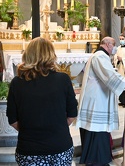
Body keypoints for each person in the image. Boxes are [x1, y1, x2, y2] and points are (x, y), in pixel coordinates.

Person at [6, 37, 77, 165]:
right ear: (51, 54)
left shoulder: (17, 82)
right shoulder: (63, 79)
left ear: (28, 54)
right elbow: (72, 114)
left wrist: (31, 130)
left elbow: (13, 120)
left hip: (29, 149)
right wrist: (56, 127)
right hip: (59, 146)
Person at [76, 37, 125, 165]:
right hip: (97, 99)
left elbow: (109, 73)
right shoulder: (99, 56)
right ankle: (97, 160)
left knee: (95, 128)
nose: (115, 48)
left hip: (97, 96)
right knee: (97, 128)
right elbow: (109, 75)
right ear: (108, 44)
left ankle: (94, 158)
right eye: (114, 44)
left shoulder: (100, 56)